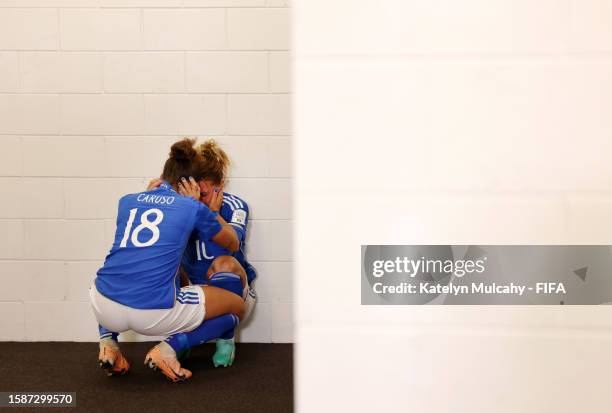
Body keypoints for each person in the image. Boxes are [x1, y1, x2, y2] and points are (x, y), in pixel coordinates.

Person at [90, 138, 246, 382]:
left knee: (117, 272)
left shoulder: (128, 200)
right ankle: (168, 350)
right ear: (192, 183)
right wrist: (205, 209)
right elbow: (233, 242)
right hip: (152, 314)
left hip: (102, 306)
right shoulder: (192, 207)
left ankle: (108, 343)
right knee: (236, 306)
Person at [149, 139, 257, 368]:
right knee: (166, 264)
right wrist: (152, 203)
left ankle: (226, 340)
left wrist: (212, 212)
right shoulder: (185, 205)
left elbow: (232, 244)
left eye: (205, 194)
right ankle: (182, 340)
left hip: (233, 292)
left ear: (222, 185)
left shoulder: (236, 205)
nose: (199, 200)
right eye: (196, 193)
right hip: (195, 293)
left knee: (224, 263)